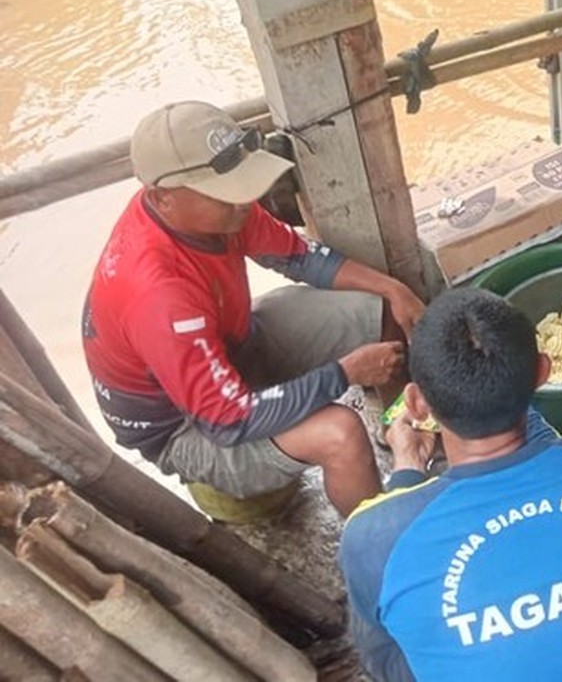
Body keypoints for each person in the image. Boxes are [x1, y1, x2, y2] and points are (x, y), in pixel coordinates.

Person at [82, 101, 426, 518]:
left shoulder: (218, 211)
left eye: (244, 184)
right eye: (226, 194)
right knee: (340, 432)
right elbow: (227, 420)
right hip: (186, 426)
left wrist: (393, 289)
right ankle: (383, 544)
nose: (244, 202)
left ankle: (403, 435)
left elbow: (300, 257)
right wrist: (344, 374)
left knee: (380, 310)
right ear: (162, 198)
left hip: (230, 344)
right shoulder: (159, 294)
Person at [340, 288, 562, 682]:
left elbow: (386, 663)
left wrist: (406, 471)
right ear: (543, 372)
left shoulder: (371, 537)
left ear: (417, 404)